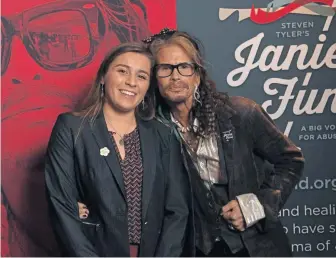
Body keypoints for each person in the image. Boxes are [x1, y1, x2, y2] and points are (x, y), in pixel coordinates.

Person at [78, 29, 305, 257]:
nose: (176, 77)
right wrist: (84, 204)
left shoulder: (239, 113)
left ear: (197, 75)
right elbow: (123, 178)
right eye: (166, 69)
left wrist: (256, 205)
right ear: (154, 79)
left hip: (257, 246)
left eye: (184, 67)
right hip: (196, 248)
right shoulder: (151, 131)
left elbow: (290, 160)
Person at [44, 42, 189, 257]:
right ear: (103, 77)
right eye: (122, 71)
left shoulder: (163, 135)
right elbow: (62, 207)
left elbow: (177, 210)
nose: (131, 82)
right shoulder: (72, 128)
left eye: (141, 76)